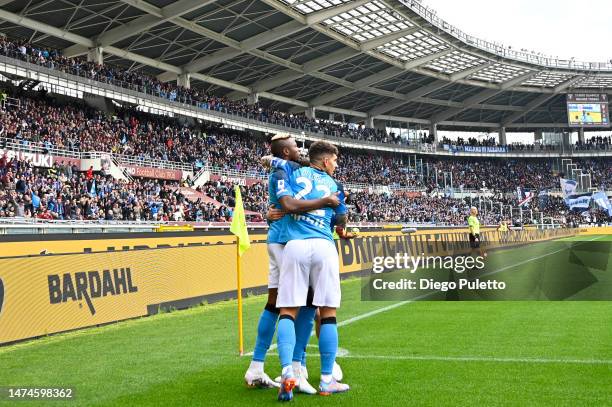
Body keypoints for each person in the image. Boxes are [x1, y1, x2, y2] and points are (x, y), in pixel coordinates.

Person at [244, 135, 339, 391]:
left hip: (289, 240)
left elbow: (311, 162)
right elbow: (287, 203)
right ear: (287, 152)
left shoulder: (293, 167)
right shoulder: (282, 171)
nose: (301, 150)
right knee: (293, 304)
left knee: (284, 304)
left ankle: (273, 366)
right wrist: (274, 211)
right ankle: (294, 366)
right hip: (286, 240)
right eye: (296, 147)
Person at [275, 141, 350, 401]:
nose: (336, 165)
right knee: (327, 313)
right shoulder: (334, 185)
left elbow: (283, 202)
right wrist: (339, 214)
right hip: (323, 246)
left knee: (287, 311)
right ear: (326, 161)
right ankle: (327, 379)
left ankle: (288, 371)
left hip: (294, 246)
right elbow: (340, 220)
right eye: (335, 161)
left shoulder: (291, 173)